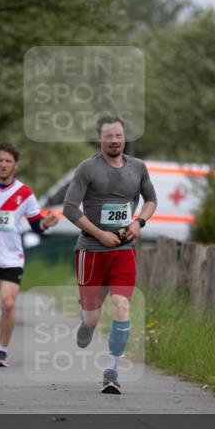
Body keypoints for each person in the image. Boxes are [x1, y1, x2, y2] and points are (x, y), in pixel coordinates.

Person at [62, 115, 157, 394]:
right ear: (100, 139)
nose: (114, 140)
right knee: (92, 316)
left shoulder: (138, 168)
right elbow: (69, 208)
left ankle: (112, 370)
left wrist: (139, 222)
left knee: (121, 307)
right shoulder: (87, 168)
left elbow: (151, 200)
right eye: (108, 136)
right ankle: (87, 322)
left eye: (118, 135)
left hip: (123, 250)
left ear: (124, 137)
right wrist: (100, 234)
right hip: (91, 250)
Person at [0, 142, 59, 367]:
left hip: (11, 258)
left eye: (8, 161)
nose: (3, 165)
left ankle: (2, 350)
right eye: (0, 160)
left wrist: (46, 223)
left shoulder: (24, 193)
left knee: (7, 303)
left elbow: (36, 224)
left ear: (16, 165)